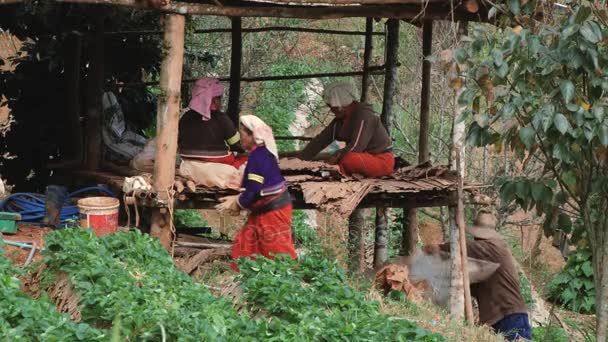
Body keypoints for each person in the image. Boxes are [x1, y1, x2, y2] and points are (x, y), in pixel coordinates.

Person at [424, 211, 531, 341]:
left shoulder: (491, 247)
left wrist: (435, 248)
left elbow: (455, 249)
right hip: (502, 318)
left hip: (510, 317)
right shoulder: (487, 258)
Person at [215, 115, 297, 272]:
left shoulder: (259, 156)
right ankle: (244, 276)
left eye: (242, 133)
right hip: (264, 207)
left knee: (278, 250)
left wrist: (237, 202)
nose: (240, 137)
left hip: (273, 210)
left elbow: (253, 190)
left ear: (252, 136)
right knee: (244, 244)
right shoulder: (259, 153)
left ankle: (292, 281)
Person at [299, 81, 395, 178]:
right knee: (342, 158)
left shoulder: (364, 115)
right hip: (363, 158)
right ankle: (332, 171)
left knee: (349, 159)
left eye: (332, 106)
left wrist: (335, 157)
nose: (331, 109)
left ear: (340, 105)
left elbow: (356, 147)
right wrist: (299, 160)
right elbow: (320, 141)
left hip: (381, 161)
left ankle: (332, 172)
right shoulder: (340, 120)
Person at [177, 78, 247, 189]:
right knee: (245, 159)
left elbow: (179, 140)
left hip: (187, 159)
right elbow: (236, 144)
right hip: (219, 160)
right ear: (213, 100)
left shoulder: (185, 117)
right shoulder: (222, 119)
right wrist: (243, 151)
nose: (220, 101)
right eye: (219, 98)